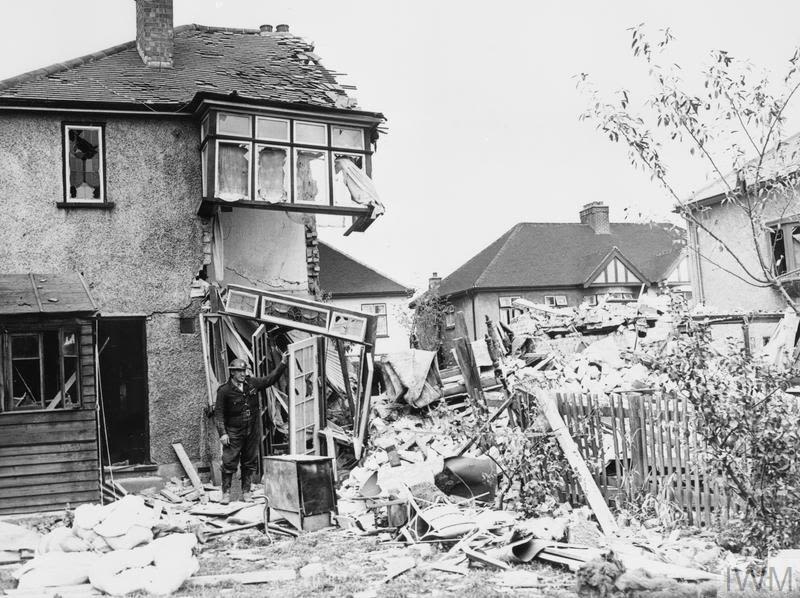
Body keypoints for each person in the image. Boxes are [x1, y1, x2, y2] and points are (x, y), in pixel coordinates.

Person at [214, 355, 287, 504]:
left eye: (244, 371)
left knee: (249, 461)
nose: (243, 374)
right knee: (229, 462)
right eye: (239, 371)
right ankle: (226, 493)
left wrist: (283, 363)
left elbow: (269, 380)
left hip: (251, 430)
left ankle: (246, 492)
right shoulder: (224, 390)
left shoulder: (252, 384)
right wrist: (223, 433)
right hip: (233, 432)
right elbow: (219, 414)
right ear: (232, 372)